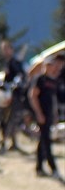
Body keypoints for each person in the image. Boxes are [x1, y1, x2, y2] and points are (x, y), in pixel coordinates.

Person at [30, 51, 62, 179]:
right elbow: (33, 96)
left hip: (49, 114)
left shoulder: (53, 81)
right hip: (41, 114)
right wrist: (38, 113)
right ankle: (53, 167)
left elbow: (53, 99)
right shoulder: (40, 79)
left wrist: (54, 114)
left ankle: (39, 167)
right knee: (47, 141)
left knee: (43, 141)